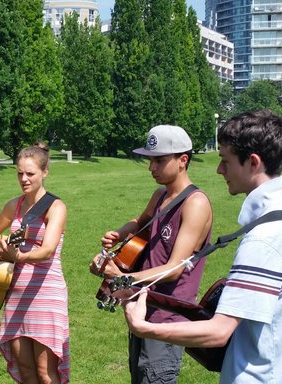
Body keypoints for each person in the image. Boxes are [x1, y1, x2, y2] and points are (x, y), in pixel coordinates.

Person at [124, 110, 282, 383]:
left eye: (225, 161)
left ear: (253, 163)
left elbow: (219, 331)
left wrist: (144, 327)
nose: (219, 170)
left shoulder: (264, 239)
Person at [90, 125, 213, 383]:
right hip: (142, 310)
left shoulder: (196, 203)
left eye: (159, 160)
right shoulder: (161, 195)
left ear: (183, 161)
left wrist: (122, 278)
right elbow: (140, 221)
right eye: (150, 160)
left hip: (167, 319)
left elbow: (175, 268)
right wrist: (120, 234)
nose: (151, 167)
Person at [0, 143, 70, 384]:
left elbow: (48, 250)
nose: (24, 179)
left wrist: (19, 257)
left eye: (30, 174)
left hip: (46, 293)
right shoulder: (14, 205)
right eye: (20, 173)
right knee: (26, 371)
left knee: (46, 374)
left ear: (45, 172)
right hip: (15, 293)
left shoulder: (55, 207)